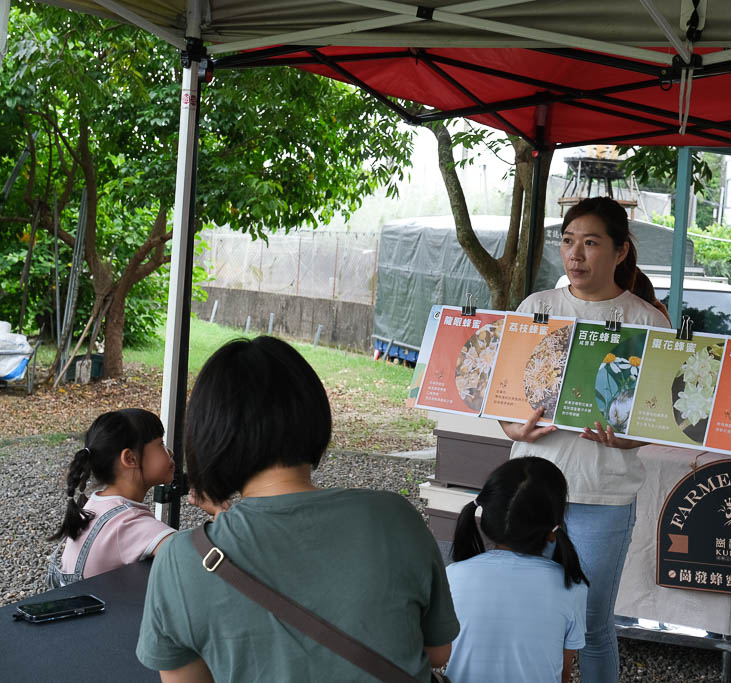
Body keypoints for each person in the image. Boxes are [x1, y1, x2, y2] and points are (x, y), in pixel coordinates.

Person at [136, 336, 459, 682]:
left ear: (209, 435)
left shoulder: (180, 561)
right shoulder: (395, 518)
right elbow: (437, 651)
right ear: (313, 414)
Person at [500, 196, 670, 682]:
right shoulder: (538, 308)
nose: (575, 255)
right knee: (531, 615)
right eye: (568, 241)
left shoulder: (646, 321)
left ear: (620, 252)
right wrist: (515, 429)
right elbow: (508, 398)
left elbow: (657, 418)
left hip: (603, 493)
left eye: (591, 243)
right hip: (532, 489)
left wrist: (628, 439)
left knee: (592, 625)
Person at [445, 457, 588, 683]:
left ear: (486, 518)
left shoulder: (453, 576)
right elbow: (563, 675)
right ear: (554, 527)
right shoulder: (571, 587)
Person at [46, 408, 176, 588]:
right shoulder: (129, 523)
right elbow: (191, 557)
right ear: (130, 458)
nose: (170, 452)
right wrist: (218, 509)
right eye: (160, 444)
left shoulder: (96, 503)